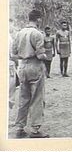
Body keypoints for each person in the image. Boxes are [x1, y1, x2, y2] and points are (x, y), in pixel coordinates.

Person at [12, 10, 49, 138]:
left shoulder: (19, 33)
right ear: (38, 19)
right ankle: (35, 129)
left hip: (22, 66)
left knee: (23, 98)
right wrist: (46, 56)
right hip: (34, 66)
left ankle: (20, 127)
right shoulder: (37, 34)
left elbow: (13, 53)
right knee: (37, 98)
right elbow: (40, 55)